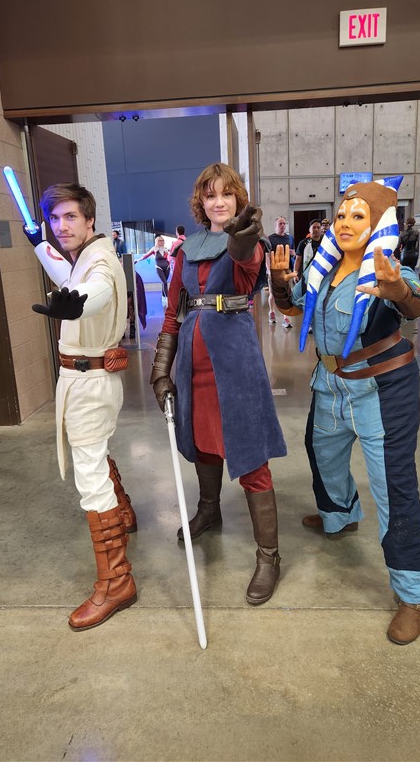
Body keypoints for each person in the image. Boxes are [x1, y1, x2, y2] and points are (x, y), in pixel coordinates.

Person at [270, 177, 420, 645]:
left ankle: (414, 595)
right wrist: (280, 283)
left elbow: (417, 304)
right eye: (341, 215)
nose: (344, 223)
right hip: (330, 385)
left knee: (395, 489)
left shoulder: (388, 269)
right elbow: (293, 306)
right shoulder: (322, 271)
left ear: (378, 224)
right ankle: (340, 515)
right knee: (321, 453)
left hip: (382, 391)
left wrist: (396, 289)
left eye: (357, 216)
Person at [150, 162, 287, 605]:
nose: (219, 202)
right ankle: (208, 510)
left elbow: (247, 265)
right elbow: (173, 311)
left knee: (249, 453)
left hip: (235, 361)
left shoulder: (249, 243)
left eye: (227, 194)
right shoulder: (185, 249)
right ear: (201, 202)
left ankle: (269, 556)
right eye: (210, 195)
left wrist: (242, 238)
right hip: (193, 362)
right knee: (202, 442)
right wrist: (161, 368)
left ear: (238, 198)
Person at [23, 183, 137, 632]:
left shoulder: (100, 263)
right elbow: (70, 274)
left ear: (90, 219)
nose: (61, 226)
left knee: (90, 475)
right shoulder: (86, 255)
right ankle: (123, 512)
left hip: (89, 382)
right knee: (94, 453)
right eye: (55, 219)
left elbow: (97, 289)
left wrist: (79, 304)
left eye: (71, 216)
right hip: (87, 379)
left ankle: (117, 582)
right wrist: (39, 245)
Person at [266, 216, 295, 328]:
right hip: (274, 270)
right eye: (280, 224)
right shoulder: (270, 239)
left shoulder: (289, 238)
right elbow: (267, 255)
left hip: (286, 269)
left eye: (284, 224)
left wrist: (293, 254)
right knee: (273, 293)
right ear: (275, 226)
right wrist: (268, 269)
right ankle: (272, 312)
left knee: (287, 293)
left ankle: (285, 317)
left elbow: (294, 252)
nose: (282, 226)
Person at [136, 235, 171, 308]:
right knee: (164, 282)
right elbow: (146, 256)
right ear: (156, 242)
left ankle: (163, 297)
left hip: (167, 267)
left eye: (162, 241)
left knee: (164, 283)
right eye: (160, 241)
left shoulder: (165, 249)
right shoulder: (154, 249)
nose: (161, 242)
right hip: (159, 267)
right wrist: (138, 260)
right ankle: (167, 299)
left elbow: (170, 257)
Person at [295, 219, 325, 288]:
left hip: (321, 275)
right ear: (309, 229)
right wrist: (295, 273)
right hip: (306, 275)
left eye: (318, 227)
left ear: (321, 229)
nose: (316, 229)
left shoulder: (325, 243)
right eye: (314, 227)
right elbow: (298, 259)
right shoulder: (303, 244)